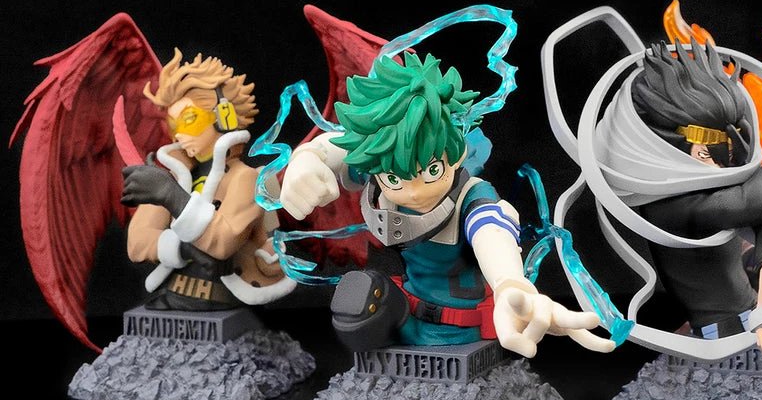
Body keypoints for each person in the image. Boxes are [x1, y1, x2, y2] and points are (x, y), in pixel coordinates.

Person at [278, 50, 613, 359]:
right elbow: (342, 146)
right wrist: (306, 158)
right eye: (395, 179)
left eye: (432, 171)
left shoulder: (471, 196)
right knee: (357, 302)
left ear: (457, 154)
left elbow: (491, 231)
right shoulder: (385, 163)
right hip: (408, 318)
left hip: (463, 332)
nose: (414, 192)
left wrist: (511, 284)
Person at [628, 39, 762, 356]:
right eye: (706, 153)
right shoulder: (671, 203)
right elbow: (757, 202)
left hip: (749, 315)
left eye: (726, 152)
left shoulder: (705, 192)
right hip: (723, 335)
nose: (720, 166)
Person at [120, 50, 296, 311]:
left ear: (224, 117)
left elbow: (223, 241)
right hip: (172, 296)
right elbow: (137, 243)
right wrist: (183, 249)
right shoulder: (178, 176)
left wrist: (171, 196)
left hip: (223, 297)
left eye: (189, 120)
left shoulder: (245, 178)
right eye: (173, 125)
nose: (179, 135)